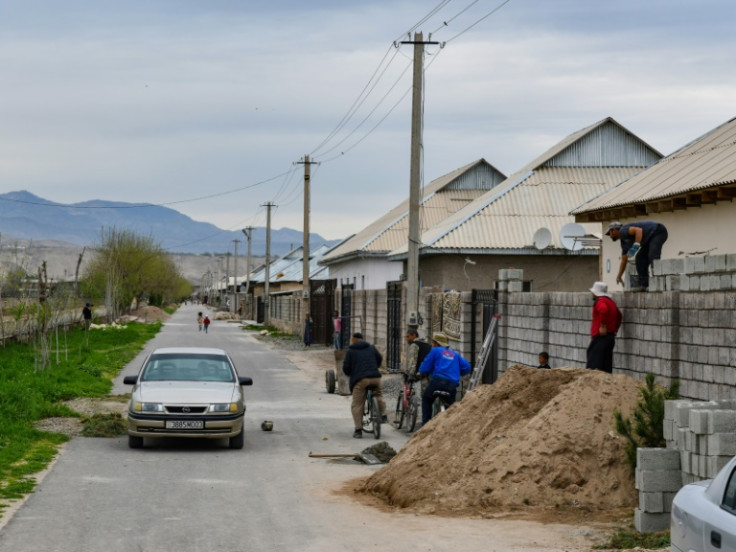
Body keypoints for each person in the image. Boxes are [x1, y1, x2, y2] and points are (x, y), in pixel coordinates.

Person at [417, 332, 471, 425]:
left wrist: (420, 372)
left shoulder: (435, 351)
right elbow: (467, 367)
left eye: (433, 342)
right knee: (450, 408)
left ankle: (425, 425)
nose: (432, 345)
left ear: (436, 343)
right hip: (452, 385)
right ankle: (450, 426)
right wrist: (458, 373)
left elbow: (426, 364)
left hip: (437, 382)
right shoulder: (455, 354)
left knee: (426, 399)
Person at [341, 332, 387, 438]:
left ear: (354, 340)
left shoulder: (351, 351)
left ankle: (358, 430)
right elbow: (379, 359)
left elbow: (346, 367)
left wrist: (351, 373)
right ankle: (383, 414)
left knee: (357, 404)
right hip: (375, 377)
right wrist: (374, 367)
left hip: (361, 380)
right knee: (378, 395)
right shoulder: (371, 347)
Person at [605, 220, 668, 291]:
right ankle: (644, 285)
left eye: (609, 233)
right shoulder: (624, 242)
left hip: (658, 231)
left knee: (653, 256)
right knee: (640, 259)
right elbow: (624, 260)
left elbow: (638, 230)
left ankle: (657, 283)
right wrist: (619, 276)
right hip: (649, 239)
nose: (610, 236)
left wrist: (636, 245)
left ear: (614, 230)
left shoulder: (622, 230)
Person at [586, 281, 622, 374]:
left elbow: (603, 310)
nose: (592, 294)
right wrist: (614, 330)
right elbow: (619, 316)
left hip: (601, 337)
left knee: (594, 365)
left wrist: (602, 326)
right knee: (606, 366)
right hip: (610, 337)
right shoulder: (611, 302)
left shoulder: (600, 301)